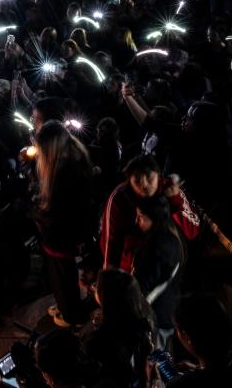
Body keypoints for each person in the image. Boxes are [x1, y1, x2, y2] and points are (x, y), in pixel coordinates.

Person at [34, 121, 95, 327]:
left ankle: (71, 315)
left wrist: (38, 214)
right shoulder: (74, 154)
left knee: (62, 276)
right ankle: (66, 305)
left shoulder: (64, 171)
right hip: (67, 231)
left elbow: (59, 210)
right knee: (63, 274)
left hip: (61, 235)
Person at [100, 154, 200, 272]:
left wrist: (175, 200)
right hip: (133, 271)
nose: (144, 184)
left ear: (158, 174)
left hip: (169, 266)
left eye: (149, 177)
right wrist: (109, 277)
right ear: (129, 180)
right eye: (137, 179)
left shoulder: (170, 188)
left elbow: (193, 230)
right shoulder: (118, 198)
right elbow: (110, 243)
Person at [83, 269, 156, 387]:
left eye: (97, 287)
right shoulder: (142, 321)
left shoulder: (99, 341)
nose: (95, 289)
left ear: (107, 297)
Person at [132, 196, 184, 349]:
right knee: (162, 356)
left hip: (155, 315)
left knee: (157, 360)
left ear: (155, 218)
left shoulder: (157, 246)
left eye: (141, 217)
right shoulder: (173, 237)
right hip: (167, 310)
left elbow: (142, 285)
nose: (137, 221)